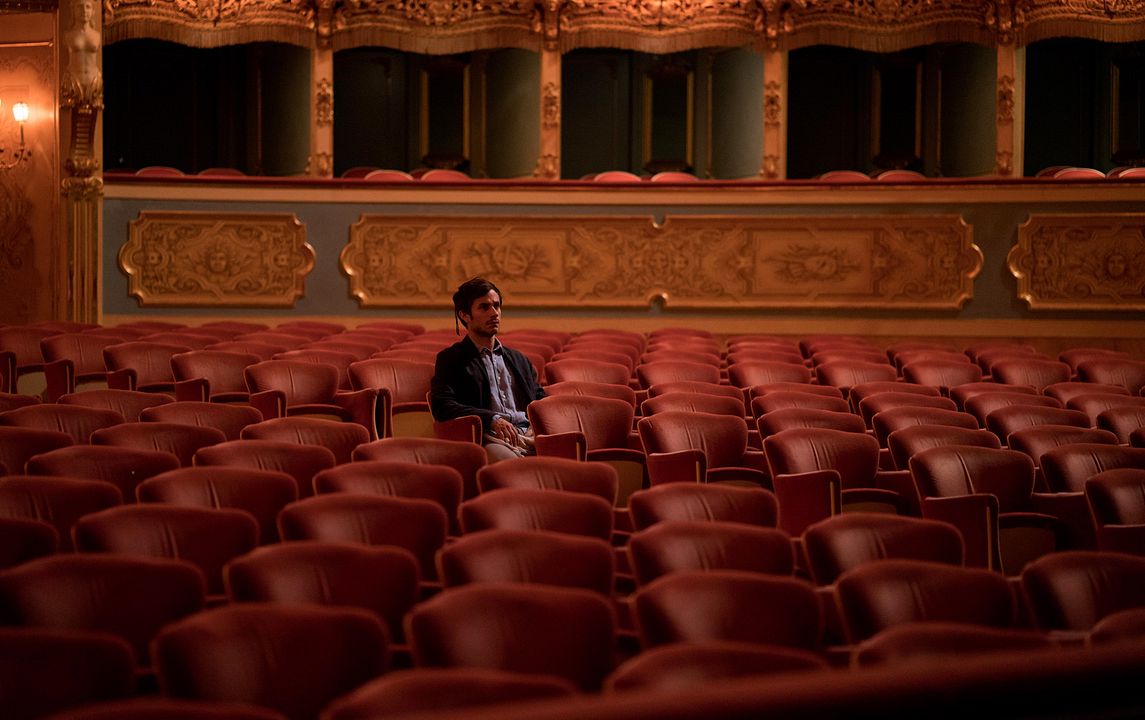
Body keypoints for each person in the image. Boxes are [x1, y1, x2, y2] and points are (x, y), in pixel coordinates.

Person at [430, 277, 545, 462]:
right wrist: (492, 419)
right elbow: (442, 406)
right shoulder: (452, 359)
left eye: (497, 306)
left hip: (529, 435)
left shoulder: (519, 359)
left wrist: (544, 420)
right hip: (490, 437)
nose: (494, 313)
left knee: (568, 459)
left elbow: (539, 398)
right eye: (484, 307)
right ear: (465, 315)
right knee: (516, 467)